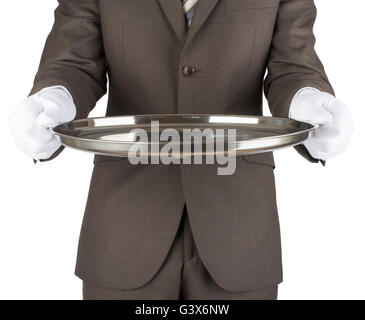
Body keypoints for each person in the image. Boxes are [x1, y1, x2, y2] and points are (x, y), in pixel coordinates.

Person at [9, 0, 353, 300]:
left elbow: (293, 66)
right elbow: (73, 63)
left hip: (239, 223)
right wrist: (54, 99)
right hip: (125, 219)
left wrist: (308, 102)